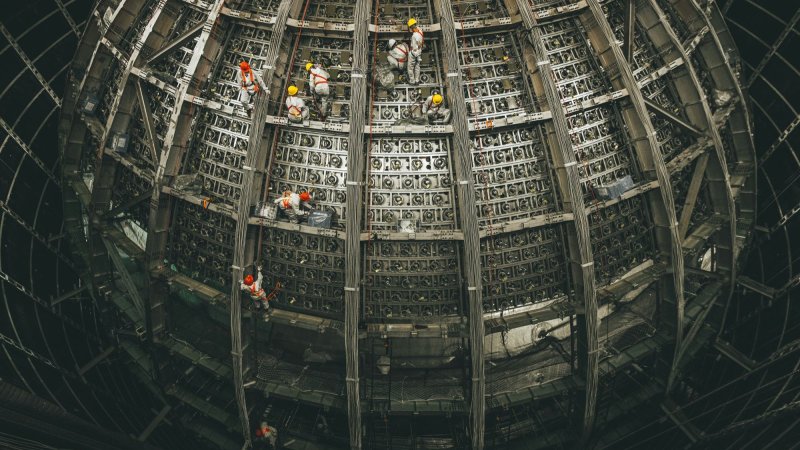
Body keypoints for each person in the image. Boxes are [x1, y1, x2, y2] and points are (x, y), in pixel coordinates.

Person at [407, 18, 424, 85]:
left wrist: (414, 50)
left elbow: (418, 44)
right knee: (417, 66)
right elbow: (420, 43)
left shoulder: (415, 35)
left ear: (411, 27)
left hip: (414, 53)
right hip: (419, 52)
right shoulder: (420, 30)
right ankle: (417, 80)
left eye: (410, 27)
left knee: (410, 68)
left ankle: (412, 81)